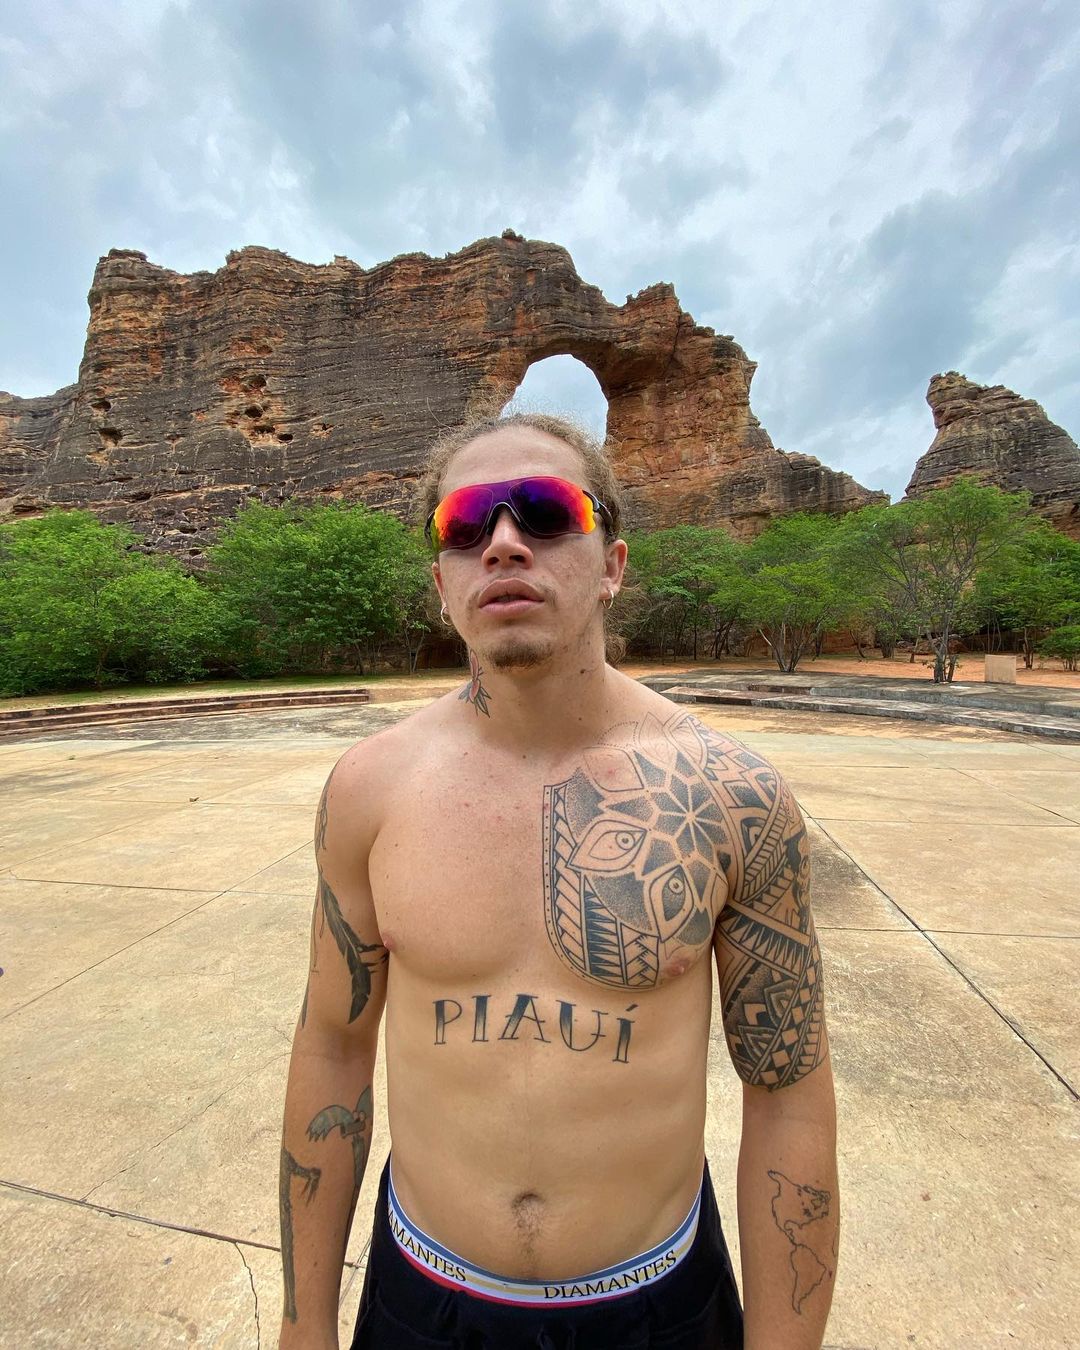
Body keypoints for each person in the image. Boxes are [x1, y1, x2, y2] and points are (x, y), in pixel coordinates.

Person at [277, 413, 839, 1350]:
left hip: (658, 1303)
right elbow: (332, 1049)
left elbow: (788, 1091)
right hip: (423, 1295)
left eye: (544, 510)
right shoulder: (370, 789)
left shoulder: (732, 795)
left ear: (611, 564)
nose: (503, 542)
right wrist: (303, 1328)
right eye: (464, 525)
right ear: (442, 584)